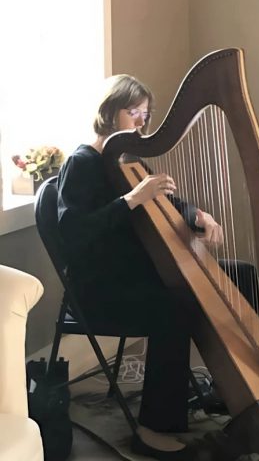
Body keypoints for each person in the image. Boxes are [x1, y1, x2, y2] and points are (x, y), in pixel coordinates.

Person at [57, 74, 223, 460]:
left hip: (134, 275)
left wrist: (197, 212)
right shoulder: (81, 164)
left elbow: (165, 202)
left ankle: (234, 388)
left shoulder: (127, 160)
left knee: (241, 273)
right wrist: (131, 199)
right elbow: (74, 234)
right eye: (135, 113)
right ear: (109, 112)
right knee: (175, 306)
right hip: (98, 288)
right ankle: (153, 428)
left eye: (145, 114)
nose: (142, 123)